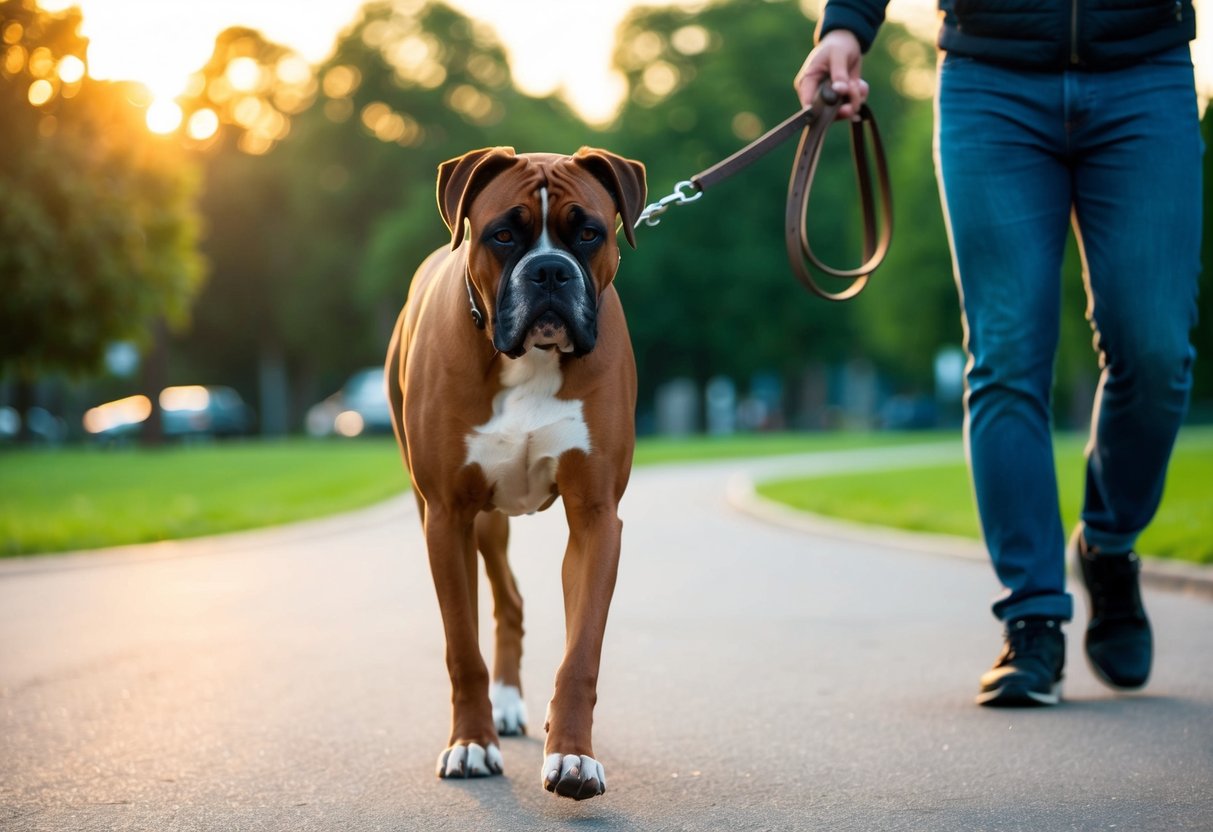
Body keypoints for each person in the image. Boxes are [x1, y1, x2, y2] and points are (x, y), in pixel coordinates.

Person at [795, 1, 1202, 707]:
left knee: (1156, 348)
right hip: (991, 78)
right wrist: (844, 26)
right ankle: (1032, 617)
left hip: (1146, 68)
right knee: (1006, 356)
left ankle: (1107, 546)